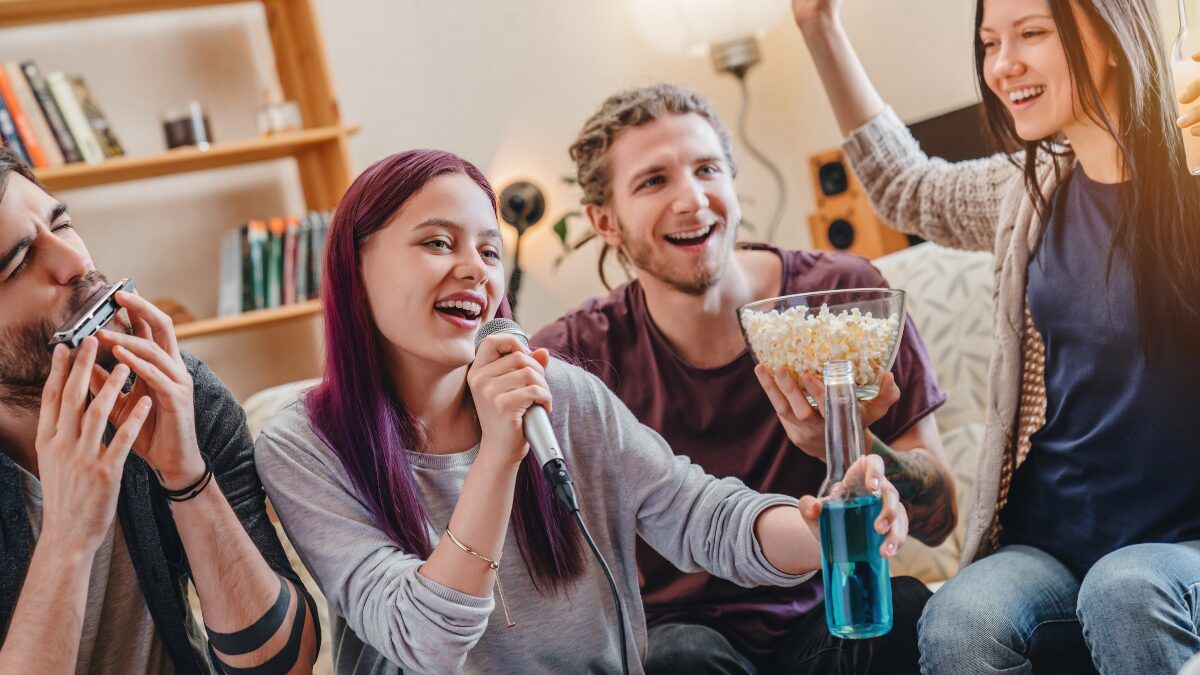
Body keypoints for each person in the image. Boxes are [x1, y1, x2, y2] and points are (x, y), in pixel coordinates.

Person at [252, 148, 911, 674]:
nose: (475, 271)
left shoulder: (560, 392)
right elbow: (424, 637)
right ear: (353, 267)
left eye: (488, 250)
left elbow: (702, 515)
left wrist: (828, 529)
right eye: (437, 243)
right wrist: (499, 456)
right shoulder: (304, 443)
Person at [792, 0, 1200, 672]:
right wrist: (818, 27)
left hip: (1177, 547)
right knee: (961, 619)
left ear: (1112, 31)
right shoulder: (1027, 190)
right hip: (1048, 540)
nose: (1003, 65)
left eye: (1032, 34)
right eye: (989, 43)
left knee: (1124, 590)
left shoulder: (1189, 172)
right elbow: (904, 187)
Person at [529, 83, 956, 674]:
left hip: (826, 615)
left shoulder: (845, 299)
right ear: (605, 220)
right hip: (678, 635)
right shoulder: (576, 355)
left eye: (707, 169)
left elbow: (941, 520)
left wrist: (855, 445)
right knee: (678, 659)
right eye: (654, 181)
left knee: (910, 609)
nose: (693, 200)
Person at [0, 147, 319, 673]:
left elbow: (284, 667)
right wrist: (68, 536)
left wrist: (186, 474)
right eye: (17, 261)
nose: (76, 261)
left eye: (64, 224)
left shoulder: (178, 390)